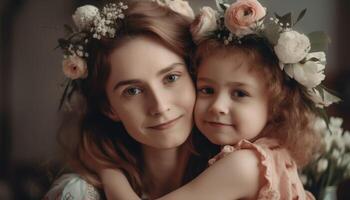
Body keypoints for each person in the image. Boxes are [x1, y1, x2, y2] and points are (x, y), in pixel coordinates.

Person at [98, 0, 341, 199]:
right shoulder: (263, 158)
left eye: (240, 94)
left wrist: (108, 172)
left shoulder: (247, 165)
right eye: (206, 90)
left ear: (276, 106)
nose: (217, 107)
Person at [43, 1, 216, 199]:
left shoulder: (248, 174)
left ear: (195, 75)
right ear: (108, 107)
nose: (159, 106)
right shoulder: (78, 194)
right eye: (132, 91)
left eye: (171, 78)